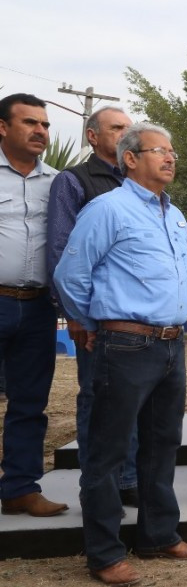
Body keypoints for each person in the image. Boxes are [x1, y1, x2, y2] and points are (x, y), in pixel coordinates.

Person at [54, 122, 187, 586]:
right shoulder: (108, 209)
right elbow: (70, 275)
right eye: (158, 150)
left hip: (170, 345)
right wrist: (97, 321)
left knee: (162, 446)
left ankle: (159, 534)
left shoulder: (174, 214)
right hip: (124, 345)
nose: (170, 158)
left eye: (172, 151)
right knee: (107, 453)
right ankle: (103, 553)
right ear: (130, 158)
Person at [45, 107, 141, 507]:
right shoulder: (74, 182)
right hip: (96, 321)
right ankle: (100, 489)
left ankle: (129, 479)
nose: (126, 134)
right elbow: (61, 252)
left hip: (136, 322)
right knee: (98, 402)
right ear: (91, 136)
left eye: (130, 128)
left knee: (132, 403)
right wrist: (77, 318)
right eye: (117, 128)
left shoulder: (139, 182)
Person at [0, 93, 68, 518]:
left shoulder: (59, 183)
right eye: (30, 123)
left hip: (39, 305)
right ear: (3, 127)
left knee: (30, 402)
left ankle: (20, 488)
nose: (40, 131)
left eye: (44, 124)